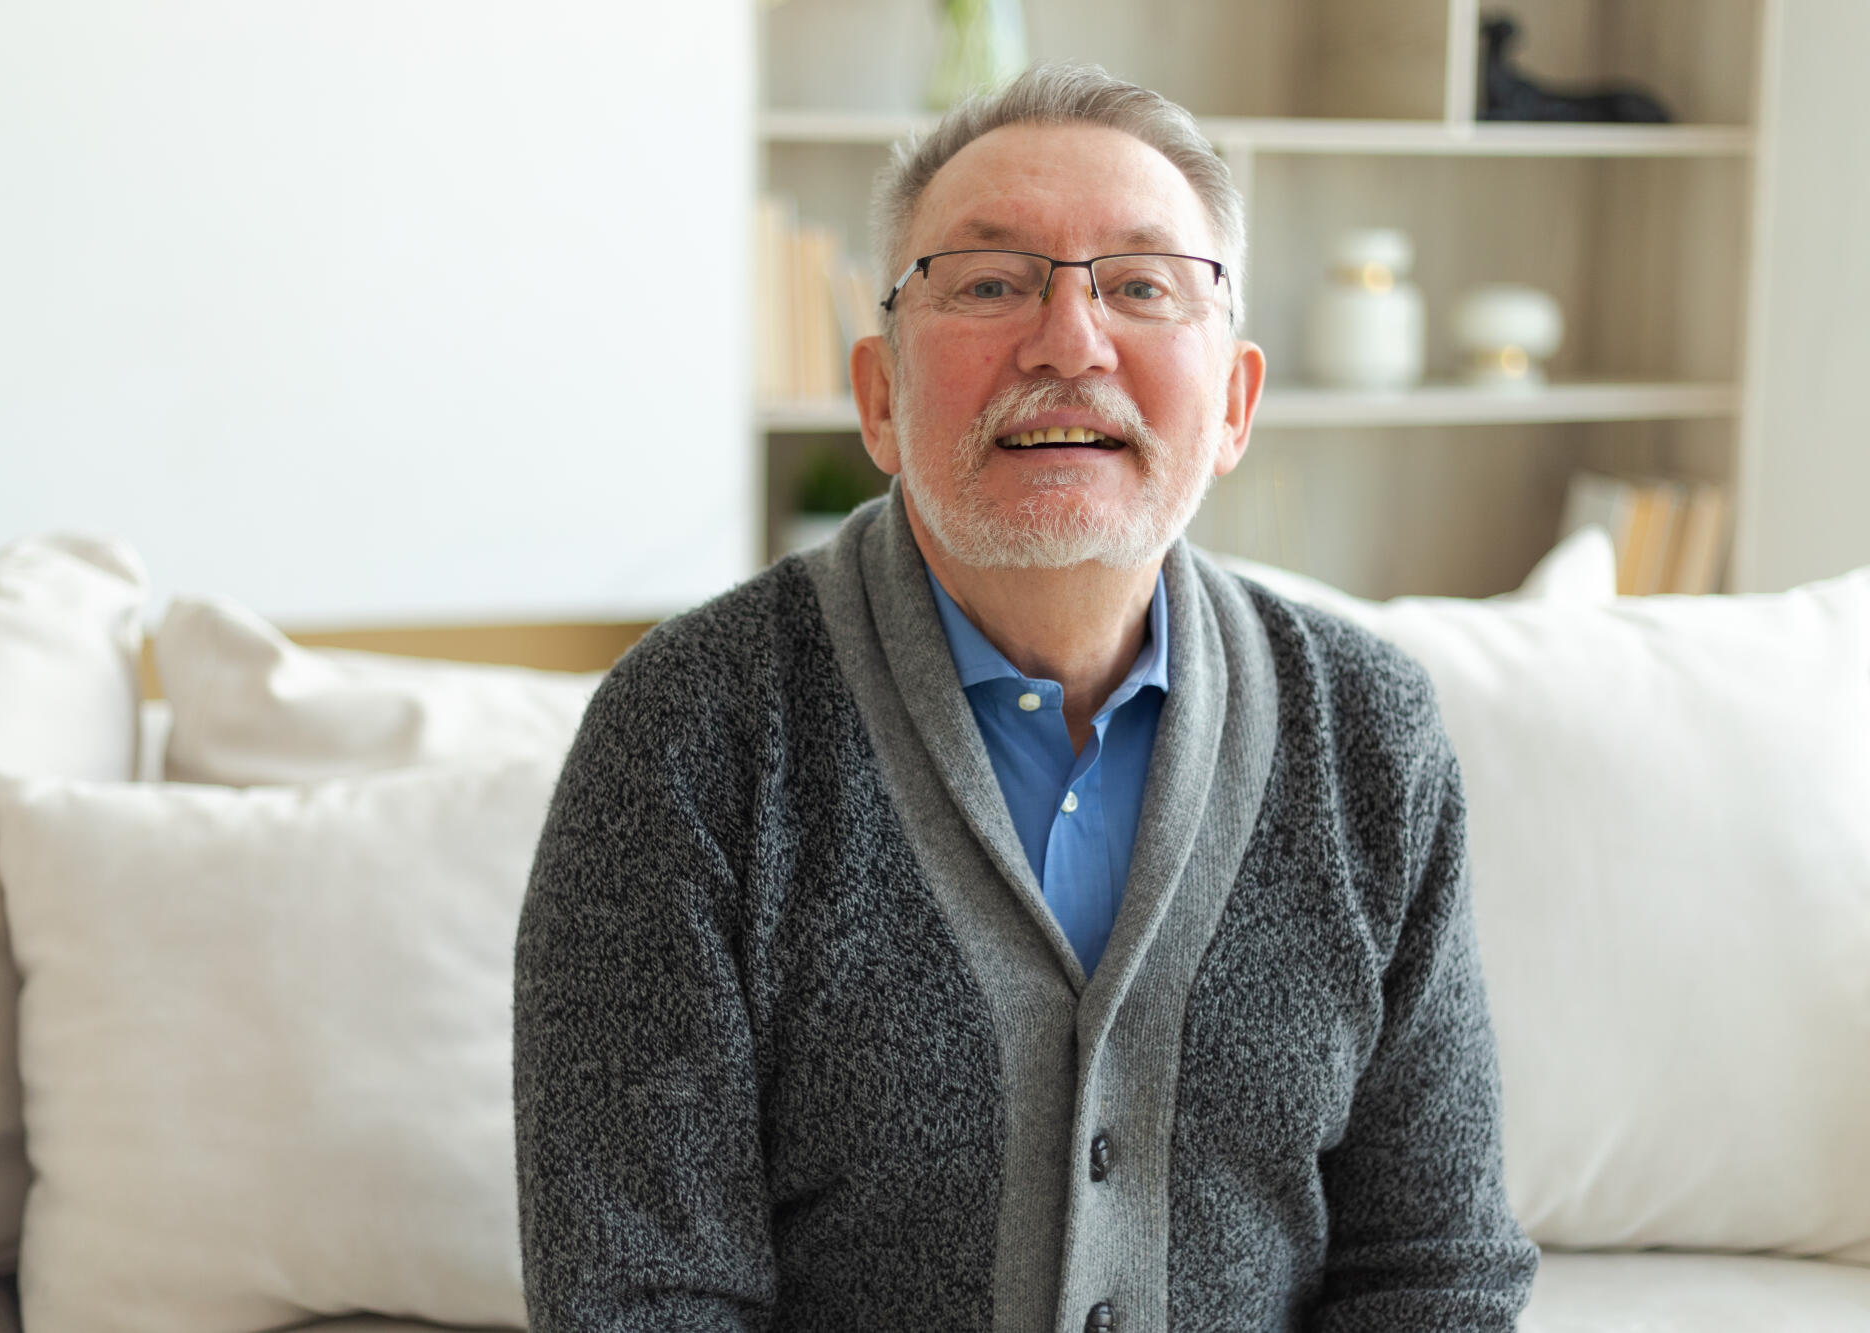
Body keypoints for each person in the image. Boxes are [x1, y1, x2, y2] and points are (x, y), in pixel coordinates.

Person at [514, 62, 1539, 1332]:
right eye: (990, 282)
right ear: (880, 398)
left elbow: (1433, 1269)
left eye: (1141, 285)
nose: (1068, 340)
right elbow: (640, 1300)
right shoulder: (683, 735)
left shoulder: (1369, 734)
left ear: (1232, 403)